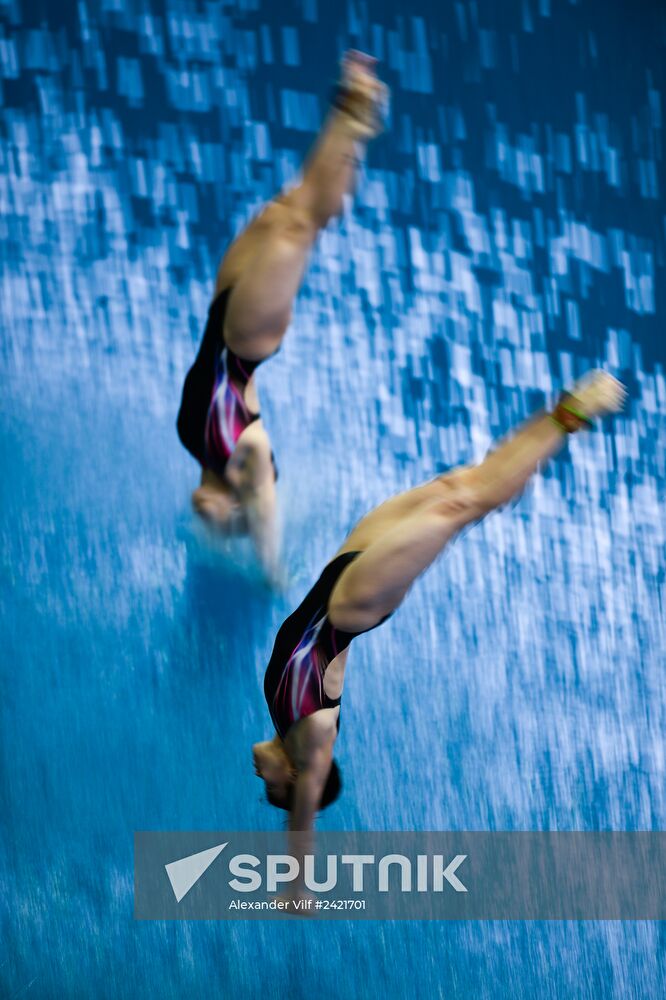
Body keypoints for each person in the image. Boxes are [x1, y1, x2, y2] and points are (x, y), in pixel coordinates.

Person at [253, 370, 626, 837]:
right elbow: (304, 807)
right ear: (293, 779)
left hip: (343, 567)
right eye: (269, 789)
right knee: (458, 508)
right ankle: (570, 416)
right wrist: (297, 884)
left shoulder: (282, 714)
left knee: (457, 487)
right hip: (355, 602)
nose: (258, 779)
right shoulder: (314, 740)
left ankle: (561, 413)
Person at [176, 51, 388, 578]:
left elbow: (209, 504)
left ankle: (352, 122)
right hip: (246, 338)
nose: (203, 510)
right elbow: (265, 521)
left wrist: (218, 512)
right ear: (239, 508)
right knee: (302, 223)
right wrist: (272, 574)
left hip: (222, 305)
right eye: (218, 519)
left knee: (288, 211)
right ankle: (353, 117)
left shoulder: (198, 443)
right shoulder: (248, 453)